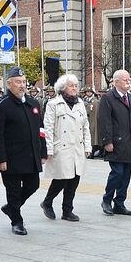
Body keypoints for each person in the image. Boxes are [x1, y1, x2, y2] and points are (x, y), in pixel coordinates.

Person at [0, 67, 47, 235]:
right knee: (13, 191)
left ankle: (10, 208)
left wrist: (43, 151)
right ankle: (17, 221)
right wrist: (0, 159)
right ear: (9, 84)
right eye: (18, 82)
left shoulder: (33, 103)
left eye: (24, 82)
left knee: (33, 185)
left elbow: (41, 130)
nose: (22, 85)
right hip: (11, 157)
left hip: (30, 155)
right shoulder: (1, 105)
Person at [41, 73, 90, 222]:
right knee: (61, 179)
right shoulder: (53, 104)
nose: (75, 88)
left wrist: (87, 145)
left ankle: (67, 210)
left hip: (77, 147)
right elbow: (48, 128)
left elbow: (85, 126)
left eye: (76, 86)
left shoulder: (80, 103)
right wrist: (48, 149)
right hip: (61, 147)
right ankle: (47, 202)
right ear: (63, 88)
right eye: (71, 86)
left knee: (74, 179)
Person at [99, 69, 131, 216]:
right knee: (117, 173)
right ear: (116, 82)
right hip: (116, 143)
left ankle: (119, 203)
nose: (128, 82)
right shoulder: (108, 98)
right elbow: (104, 121)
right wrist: (107, 141)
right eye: (125, 79)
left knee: (126, 175)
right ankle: (107, 200)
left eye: (129, 79)